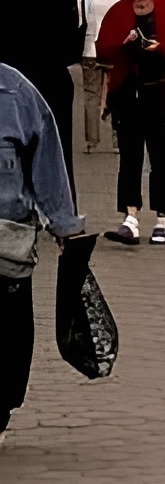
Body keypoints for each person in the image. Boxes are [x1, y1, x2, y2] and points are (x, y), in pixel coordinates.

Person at [0, 60, 88, 439]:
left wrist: (64, 226)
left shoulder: (16, 93)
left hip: (7, 249)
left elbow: (47, 162)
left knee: (10, 345)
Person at [98, 0, 165, 247]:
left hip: (161, 93)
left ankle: (162, 220)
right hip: (129, 94)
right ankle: (130, 218)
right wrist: (122, 45)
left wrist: (161, 48)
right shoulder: (119, 10)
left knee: (162, 158)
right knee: (130, 157)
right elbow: (103, 50)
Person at [0, 0, 84, 189]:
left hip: (14, 82)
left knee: (15, 147)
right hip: (53, 83)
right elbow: (73, 50)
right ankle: (61, 209)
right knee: (57, 149)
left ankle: (17, 208)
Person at [79, 0, 125, 153]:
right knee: (120, 95)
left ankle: (92, 141)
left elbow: (80, 23)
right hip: (118, 52)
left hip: (90, 51)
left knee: (91, 96)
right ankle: (118, 139)